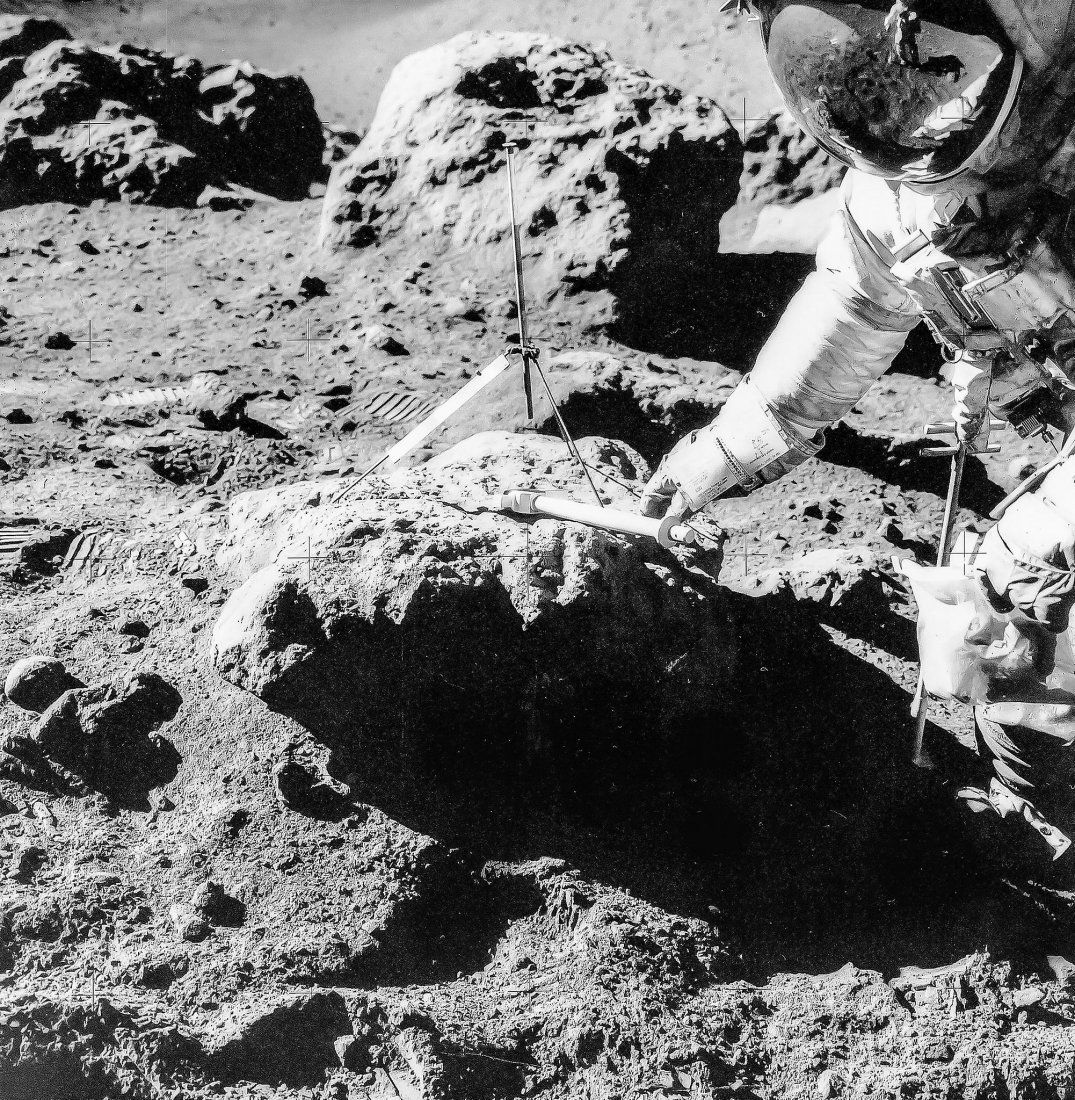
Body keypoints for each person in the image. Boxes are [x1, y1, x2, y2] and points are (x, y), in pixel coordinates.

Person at [640, 0, 1075, 853]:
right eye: (880, 95)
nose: (912, 112)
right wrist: (714, 459)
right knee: (1008, 631)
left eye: (931, 67)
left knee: (1029, 587)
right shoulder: (901, 206)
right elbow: (842, 318)